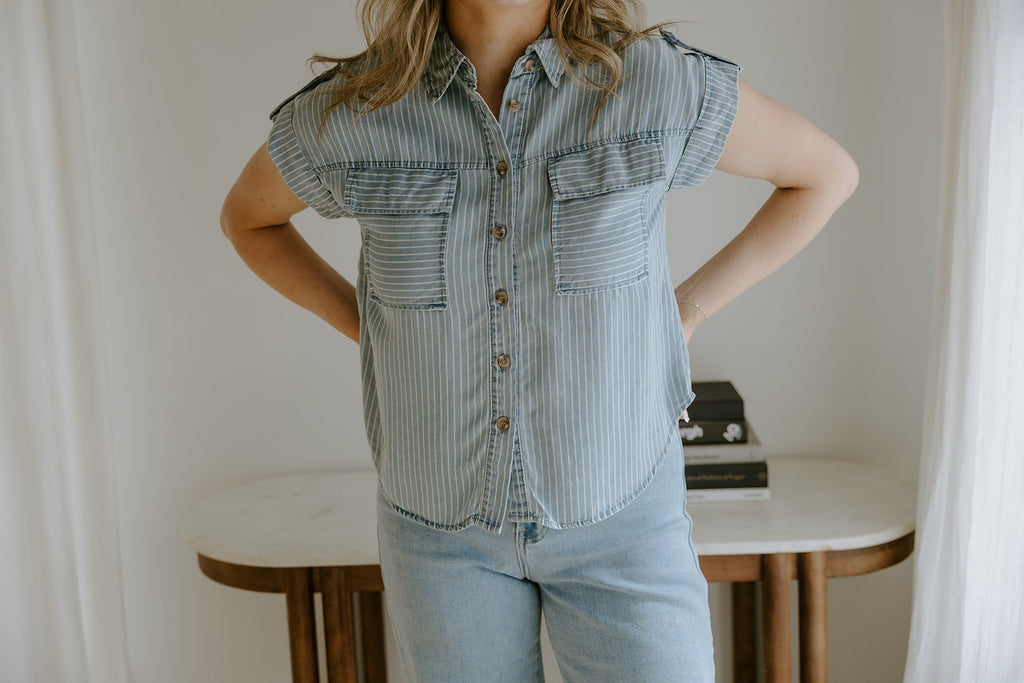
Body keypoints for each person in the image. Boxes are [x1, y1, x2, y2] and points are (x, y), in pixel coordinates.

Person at [221, 0, 858, 679]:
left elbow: (824, 175)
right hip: (439, 536)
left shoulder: (654, 84)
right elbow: (248, 221)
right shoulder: (355, 111)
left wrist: (689, 309)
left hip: (625, 523)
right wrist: (369, 327)